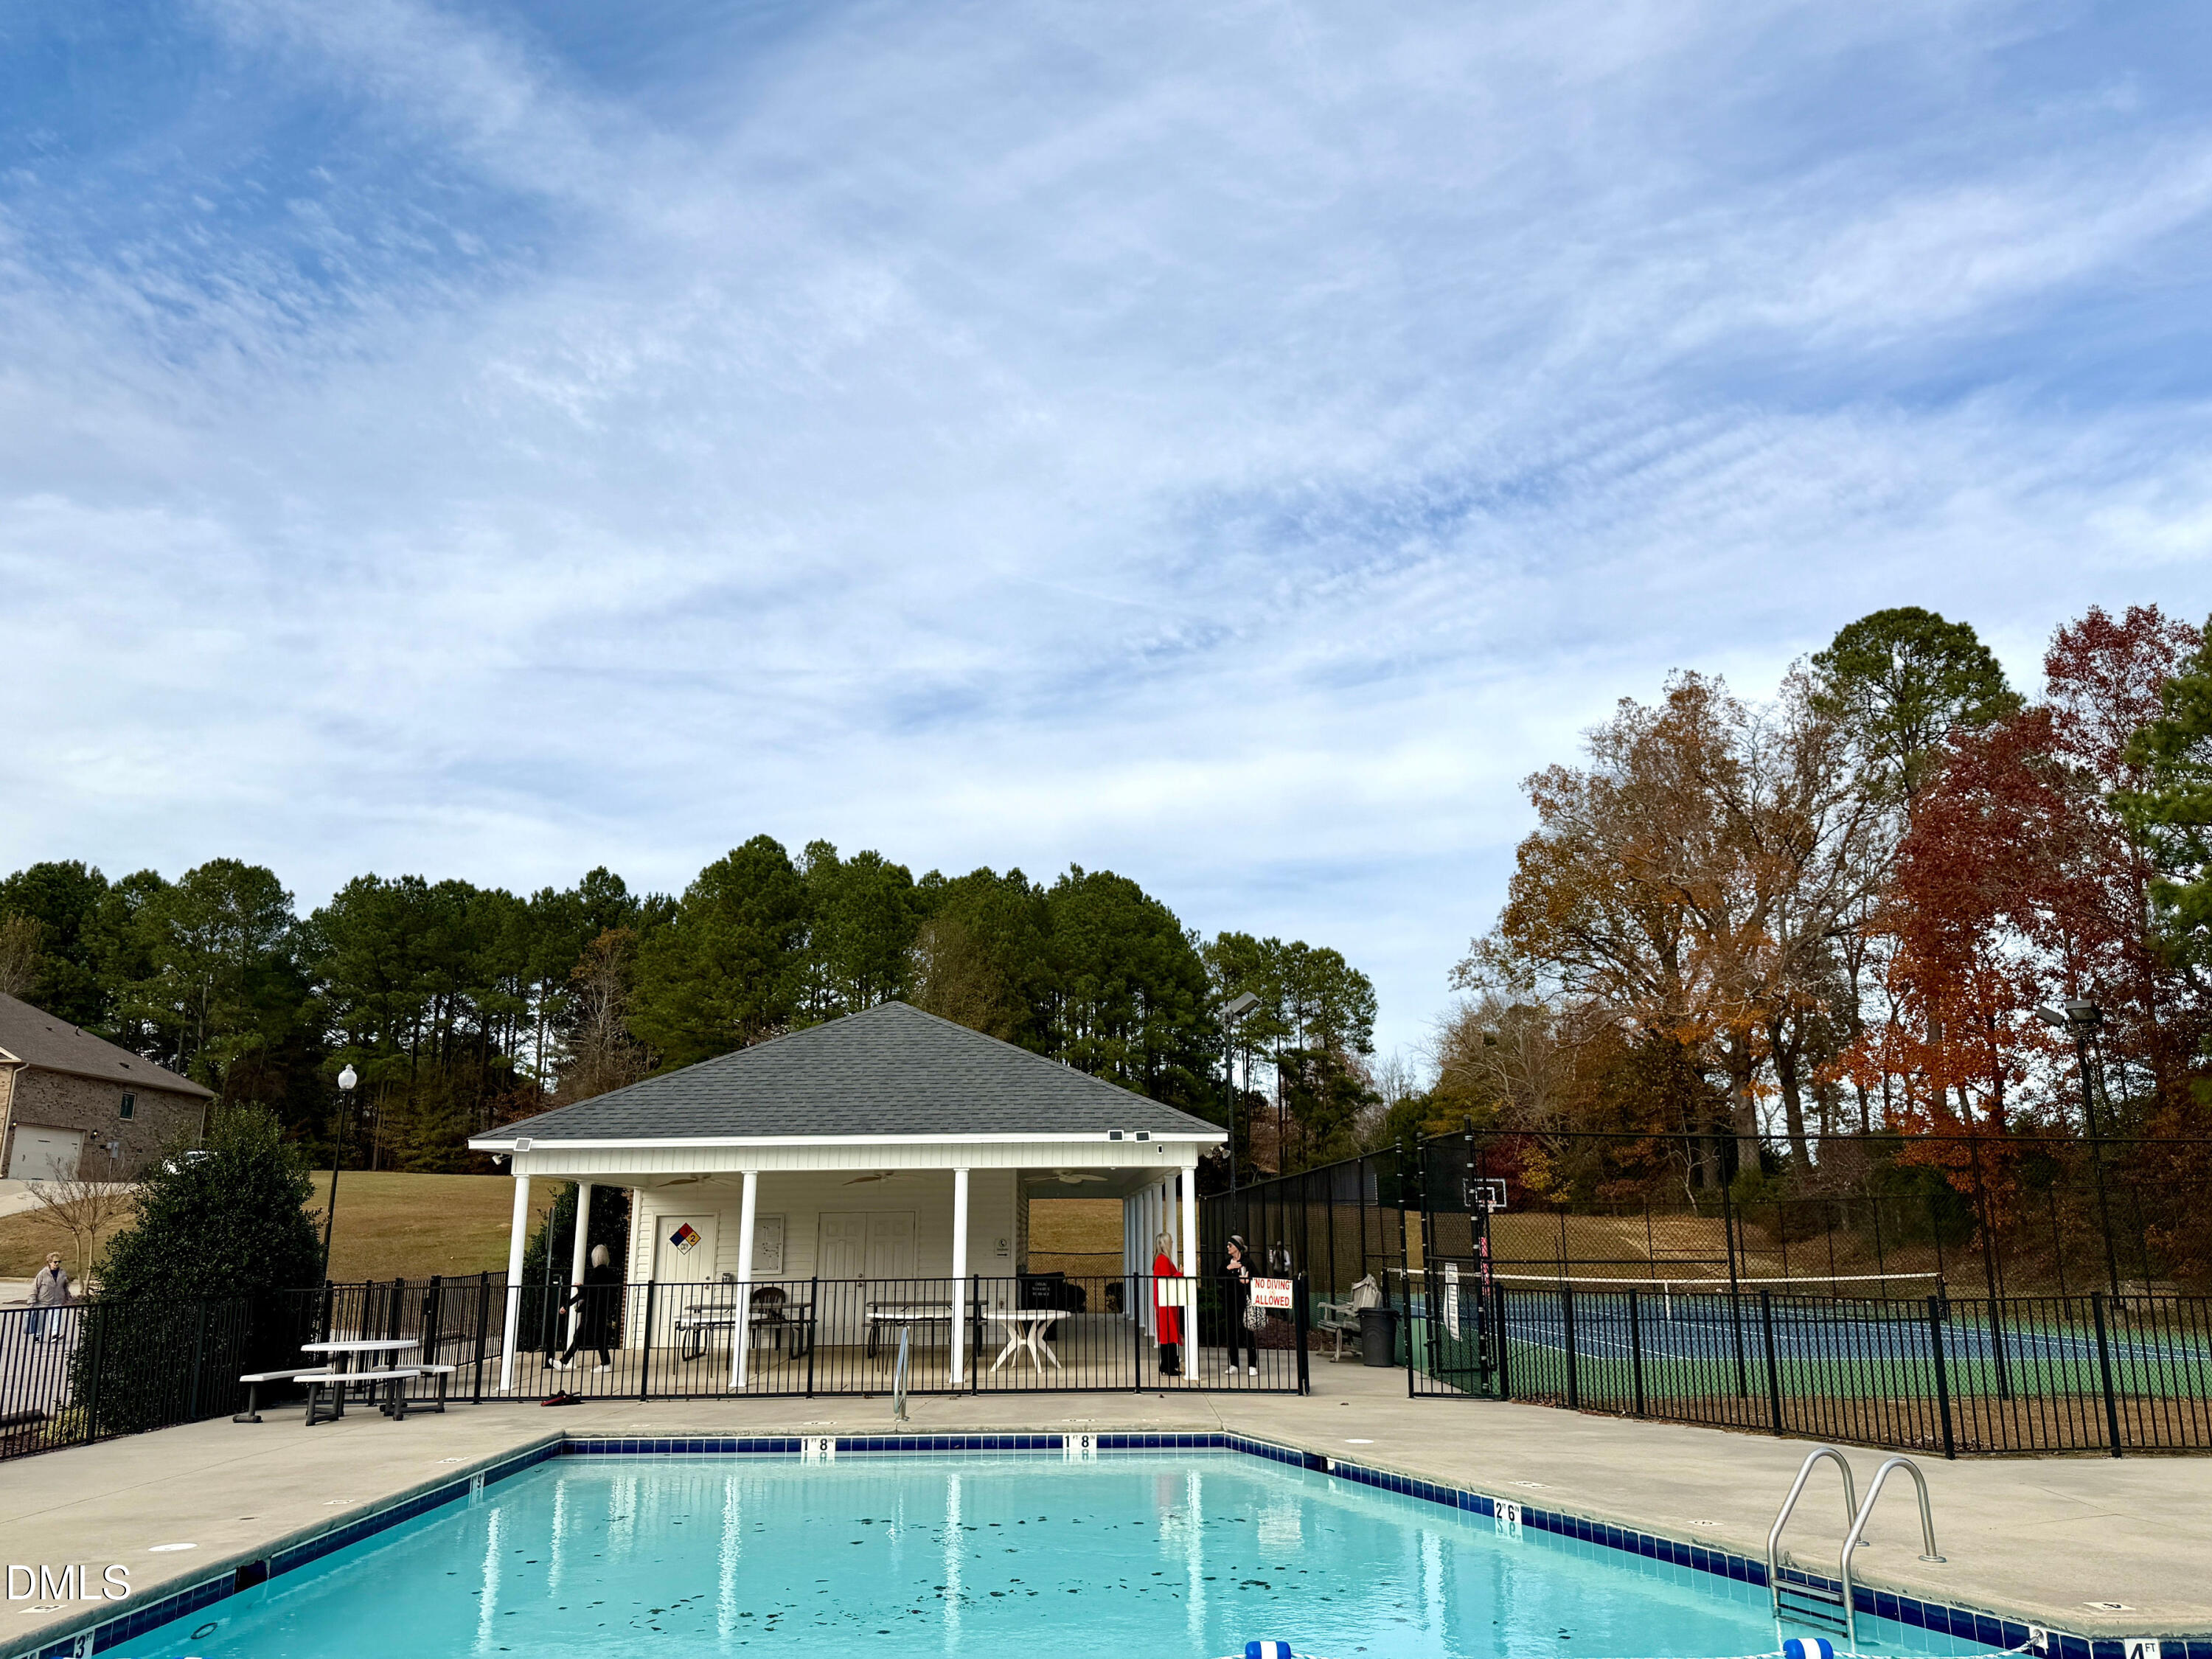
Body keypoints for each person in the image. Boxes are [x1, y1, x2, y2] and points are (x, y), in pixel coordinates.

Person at [550, 1243, 620, 1372]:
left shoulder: (596, 1274)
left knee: (580, 1336)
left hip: (593, 1310)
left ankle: (563, 1362)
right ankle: (605, 1363)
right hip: (604, 1310)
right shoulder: (611, 1275)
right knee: (598, 1337)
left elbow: (585, 1293)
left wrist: (567, 1304)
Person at [1222, 1234, 1259, 1377]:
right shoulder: (1226, 1262)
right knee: (1232, 1333)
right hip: (1231, 1302)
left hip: (1244, 1302)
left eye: (1230, 1245)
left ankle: (1252, 1365)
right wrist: (1229, 1268)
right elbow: (1219, 1279)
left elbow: (1257, 1278)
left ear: (1237, 1247)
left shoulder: (1247, 1262)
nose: (1228, 1247)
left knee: (1248, 1332)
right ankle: (1234, 1364)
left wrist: (1247, 1282)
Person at [1151, 1231, 1183, 1377]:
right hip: (1166, 1302)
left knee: (1167, 1332)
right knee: (1168, 1333)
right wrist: (1180, 1273)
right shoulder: (1163, 1260)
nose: (1172, 1243)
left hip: (1166, 1300)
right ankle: (1168, 1365)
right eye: (1170, 1241)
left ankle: (1168, 1364)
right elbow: (1167, 1281)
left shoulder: (1161, 1259)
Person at [27, 1253, 69, 1343]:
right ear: (49, 1262)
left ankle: (54, 1335)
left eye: (59, 1262)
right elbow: (35, 1286)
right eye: (55, 1262)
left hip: (57, 1300)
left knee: (55, 1318)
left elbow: (65, 1286)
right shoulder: (43, 1273)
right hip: (43, 1301)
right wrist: (32, 1299)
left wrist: (67, 1297)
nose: (57, 1264)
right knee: (40, 1319)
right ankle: (37, 1335)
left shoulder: (62, 1273)